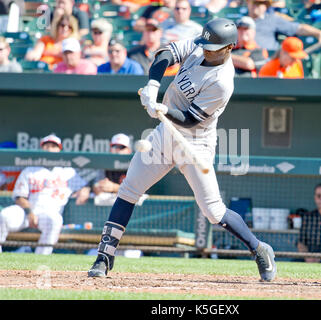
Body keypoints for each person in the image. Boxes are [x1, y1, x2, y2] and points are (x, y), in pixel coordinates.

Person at [87, 18, 277, 282]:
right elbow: (165, 53)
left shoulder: (223, 81)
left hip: (195, 142)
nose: (208, 51)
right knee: (129, 189)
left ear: (230, 47)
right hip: (165, 135)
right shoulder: (201, 44)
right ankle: (103, 257)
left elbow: (190, 118)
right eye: (207, 45)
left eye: (215, 48)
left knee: (214, 211)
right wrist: (153, 85)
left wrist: (163, 109)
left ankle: (259, 249)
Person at [0, 134, 89, 255]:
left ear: (59, 149)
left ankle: (41, 257)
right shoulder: (30, 170)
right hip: (25, 213)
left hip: (48, 215)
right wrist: (29, 212)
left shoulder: (68, 172)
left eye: (53, 146)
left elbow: (84, 186)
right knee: (4, 215)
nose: (49, 149)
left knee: (55, 220)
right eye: (46, 146)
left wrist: (85, 189)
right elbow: (19, 197)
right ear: (41, 149)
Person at [247, 0, 321, 52]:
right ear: (248, 2)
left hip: (268, 59)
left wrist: (318, 33)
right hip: (246, 58)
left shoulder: (272, 19)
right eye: (254, 2)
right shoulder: (240, 22)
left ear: (266, 6)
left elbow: (299, 28)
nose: (257, 6)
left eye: (261, 3)